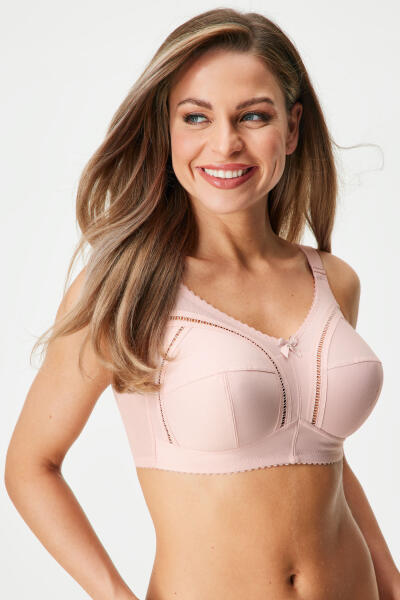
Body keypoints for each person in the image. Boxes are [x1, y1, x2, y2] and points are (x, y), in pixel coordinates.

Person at [4, 7, 399, 600]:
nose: (225, 143)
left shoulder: (334, 280)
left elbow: (324, 461)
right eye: (196, 117)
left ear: (292, 128)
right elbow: (31, 466)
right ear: (166, 131)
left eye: (254, 116)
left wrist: (391, 579)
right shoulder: (125, 289)